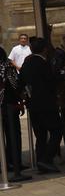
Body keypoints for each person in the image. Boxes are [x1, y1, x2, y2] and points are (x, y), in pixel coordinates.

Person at [19, 37, 61, 174]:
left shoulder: (27, 63)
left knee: (40, 134)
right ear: (44, 49)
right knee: (56, 130)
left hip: (33, 104)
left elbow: (21, 82)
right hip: (46, 103)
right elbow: (51, 82)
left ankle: (41, 161)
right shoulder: (43, 63)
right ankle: (47, 159)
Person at [1, 49, 28, 181]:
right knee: (14, 135)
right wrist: (20, 99)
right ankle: (15, 165)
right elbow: (15, 85)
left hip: (3, 106)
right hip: (9, 105)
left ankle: (4, 164)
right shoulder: (7, 67)